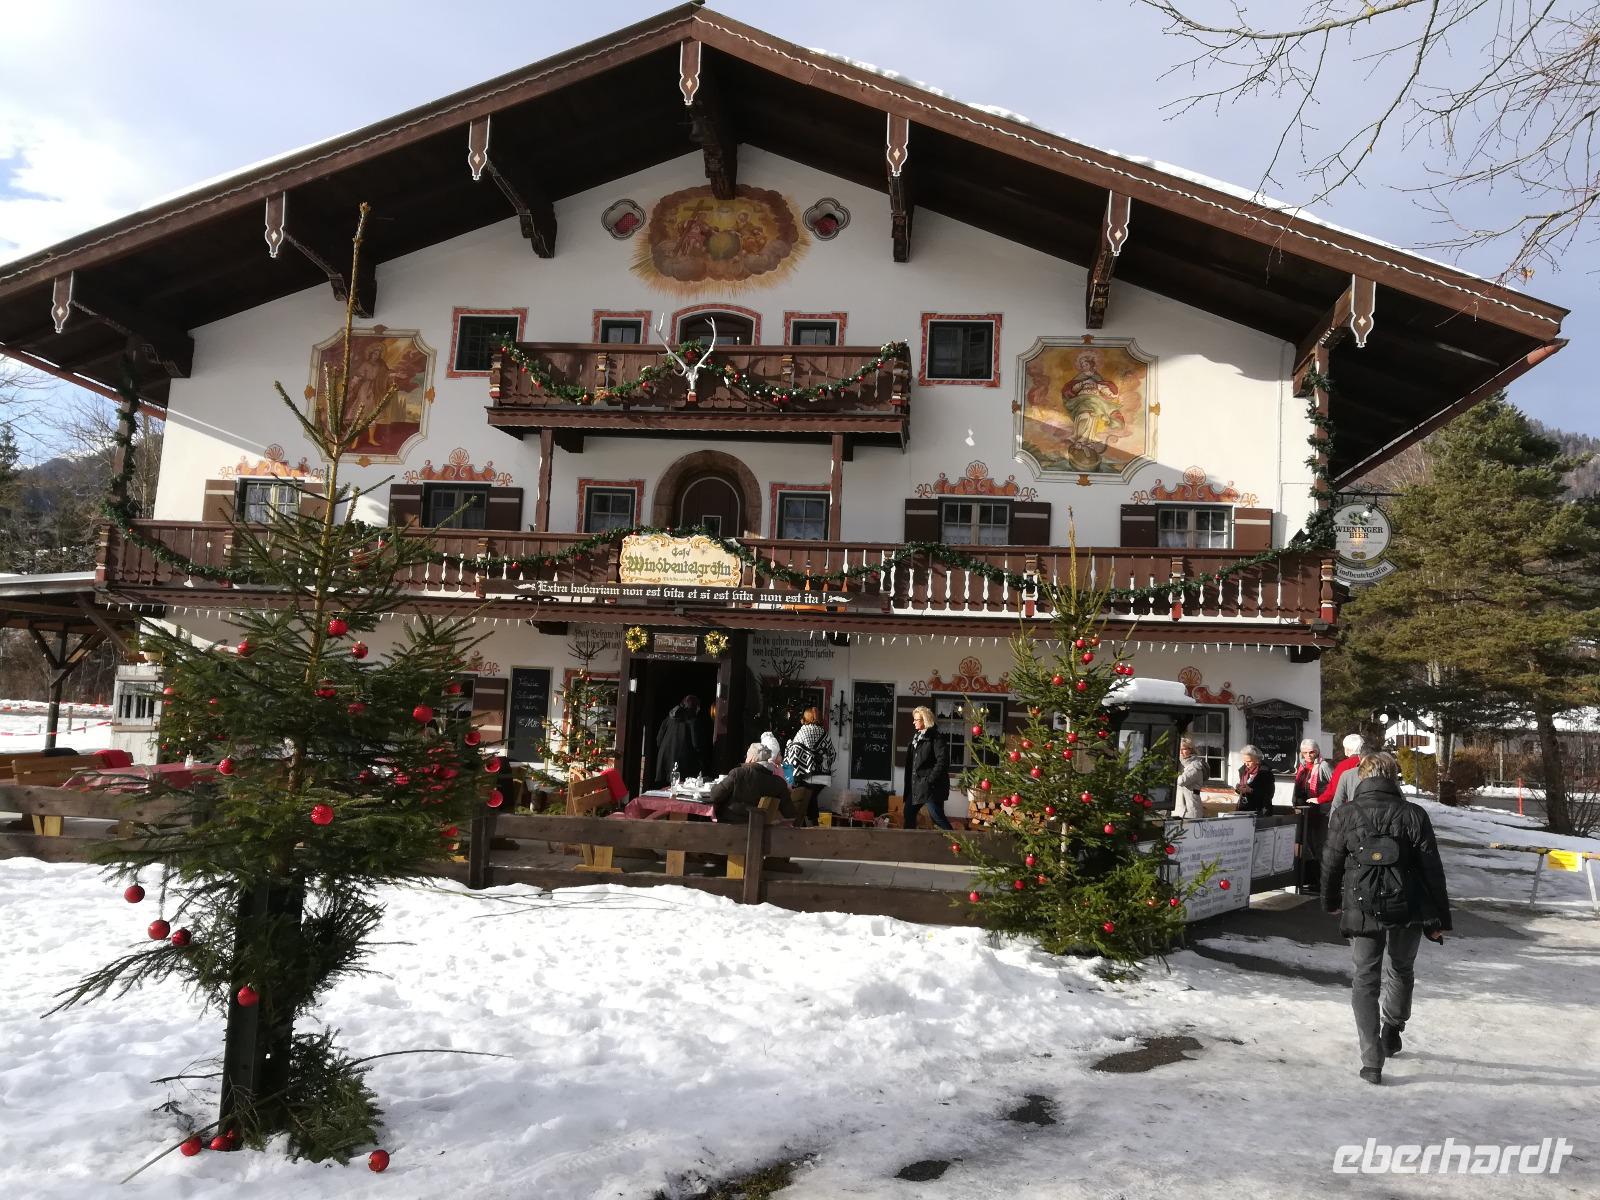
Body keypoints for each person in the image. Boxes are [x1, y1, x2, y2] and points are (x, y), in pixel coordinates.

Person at [1321, 752, 1451, 1084]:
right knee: (1401, 969)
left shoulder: (1346, 813)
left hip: (1361, 905)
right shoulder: (1414, 814)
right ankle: (1392, 1028)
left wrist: (1331, 902)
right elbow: (1431, 870)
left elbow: (1331, 862)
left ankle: (1371, 1061)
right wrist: (1438, 921)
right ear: (1394, 778)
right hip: (1408, 905)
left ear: (1361, 778)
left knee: (1364, 979)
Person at [708, 743, 793, 824]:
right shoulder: (779, 783)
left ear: (751, 758)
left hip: (731, 827)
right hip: (761, 830)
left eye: (747, 756)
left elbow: (715, 796)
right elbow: (789, 812)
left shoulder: (738, 774)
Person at [903, 705, 953, 831]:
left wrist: (929, 780)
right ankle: (909, 844)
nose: (913, 722)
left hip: (931, 787)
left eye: (916, 719)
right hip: (917, 786)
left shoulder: (935, 738)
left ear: (925, 720)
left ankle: (956, 843)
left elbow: (943, 762)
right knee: (908, 812)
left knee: (937, 817)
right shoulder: (917, 738)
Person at [783, 708, 836, 824]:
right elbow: (833, 754)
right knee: (811, 798)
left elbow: (793, 752)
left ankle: (805, 826)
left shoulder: (802, 732)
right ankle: (813, 824)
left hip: (804, 775)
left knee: (805, 799)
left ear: (805, 719)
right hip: (822, 778)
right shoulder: (823, 733)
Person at [654, 695, 706, 787]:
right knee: (679, 792)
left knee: (664, 792)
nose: (699, 710)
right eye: (698, 707)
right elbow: (696, 745)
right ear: (695, 707)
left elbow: (658, 740)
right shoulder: (692, 721)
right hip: (682, 764)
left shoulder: (668, 719)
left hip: (664, 762)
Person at [1318, 734, 1365, 806]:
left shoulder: (1344, 765)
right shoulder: (1370, 762)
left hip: (1349, 805)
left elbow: (1334, 789)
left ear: (1348, 748)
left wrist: (1320, 799)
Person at [1234, 745, 1276, 814]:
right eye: (1244, 761)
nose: (1246, 764)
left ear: (1257, 760)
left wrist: (1251, 790)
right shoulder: (1243, 771)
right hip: (1244, 809)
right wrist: (1239, 789)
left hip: (1259, 810)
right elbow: (1244, 792)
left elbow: (1269, 794)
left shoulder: (1266, 772)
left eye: (1249, 761)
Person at [1174, 737, 1207, 820]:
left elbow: (1181, 781)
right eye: (1179, 749)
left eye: (1183, 749)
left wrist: (1171, 774)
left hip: (1190, 810)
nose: (1180, 752)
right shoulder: (1181, 764)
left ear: (1190, 750)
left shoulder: (1195, 766)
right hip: (1179, 810)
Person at [1292, 740, 1333, 804]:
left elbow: (1334, 784)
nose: (1308, 755)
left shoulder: (1323, 765)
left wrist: (1322, 798)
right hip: (1303, 801)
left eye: (1311, 752)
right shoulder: (1301, 765)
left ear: (1317, 752)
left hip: (1320, 804)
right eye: (1305, 752)